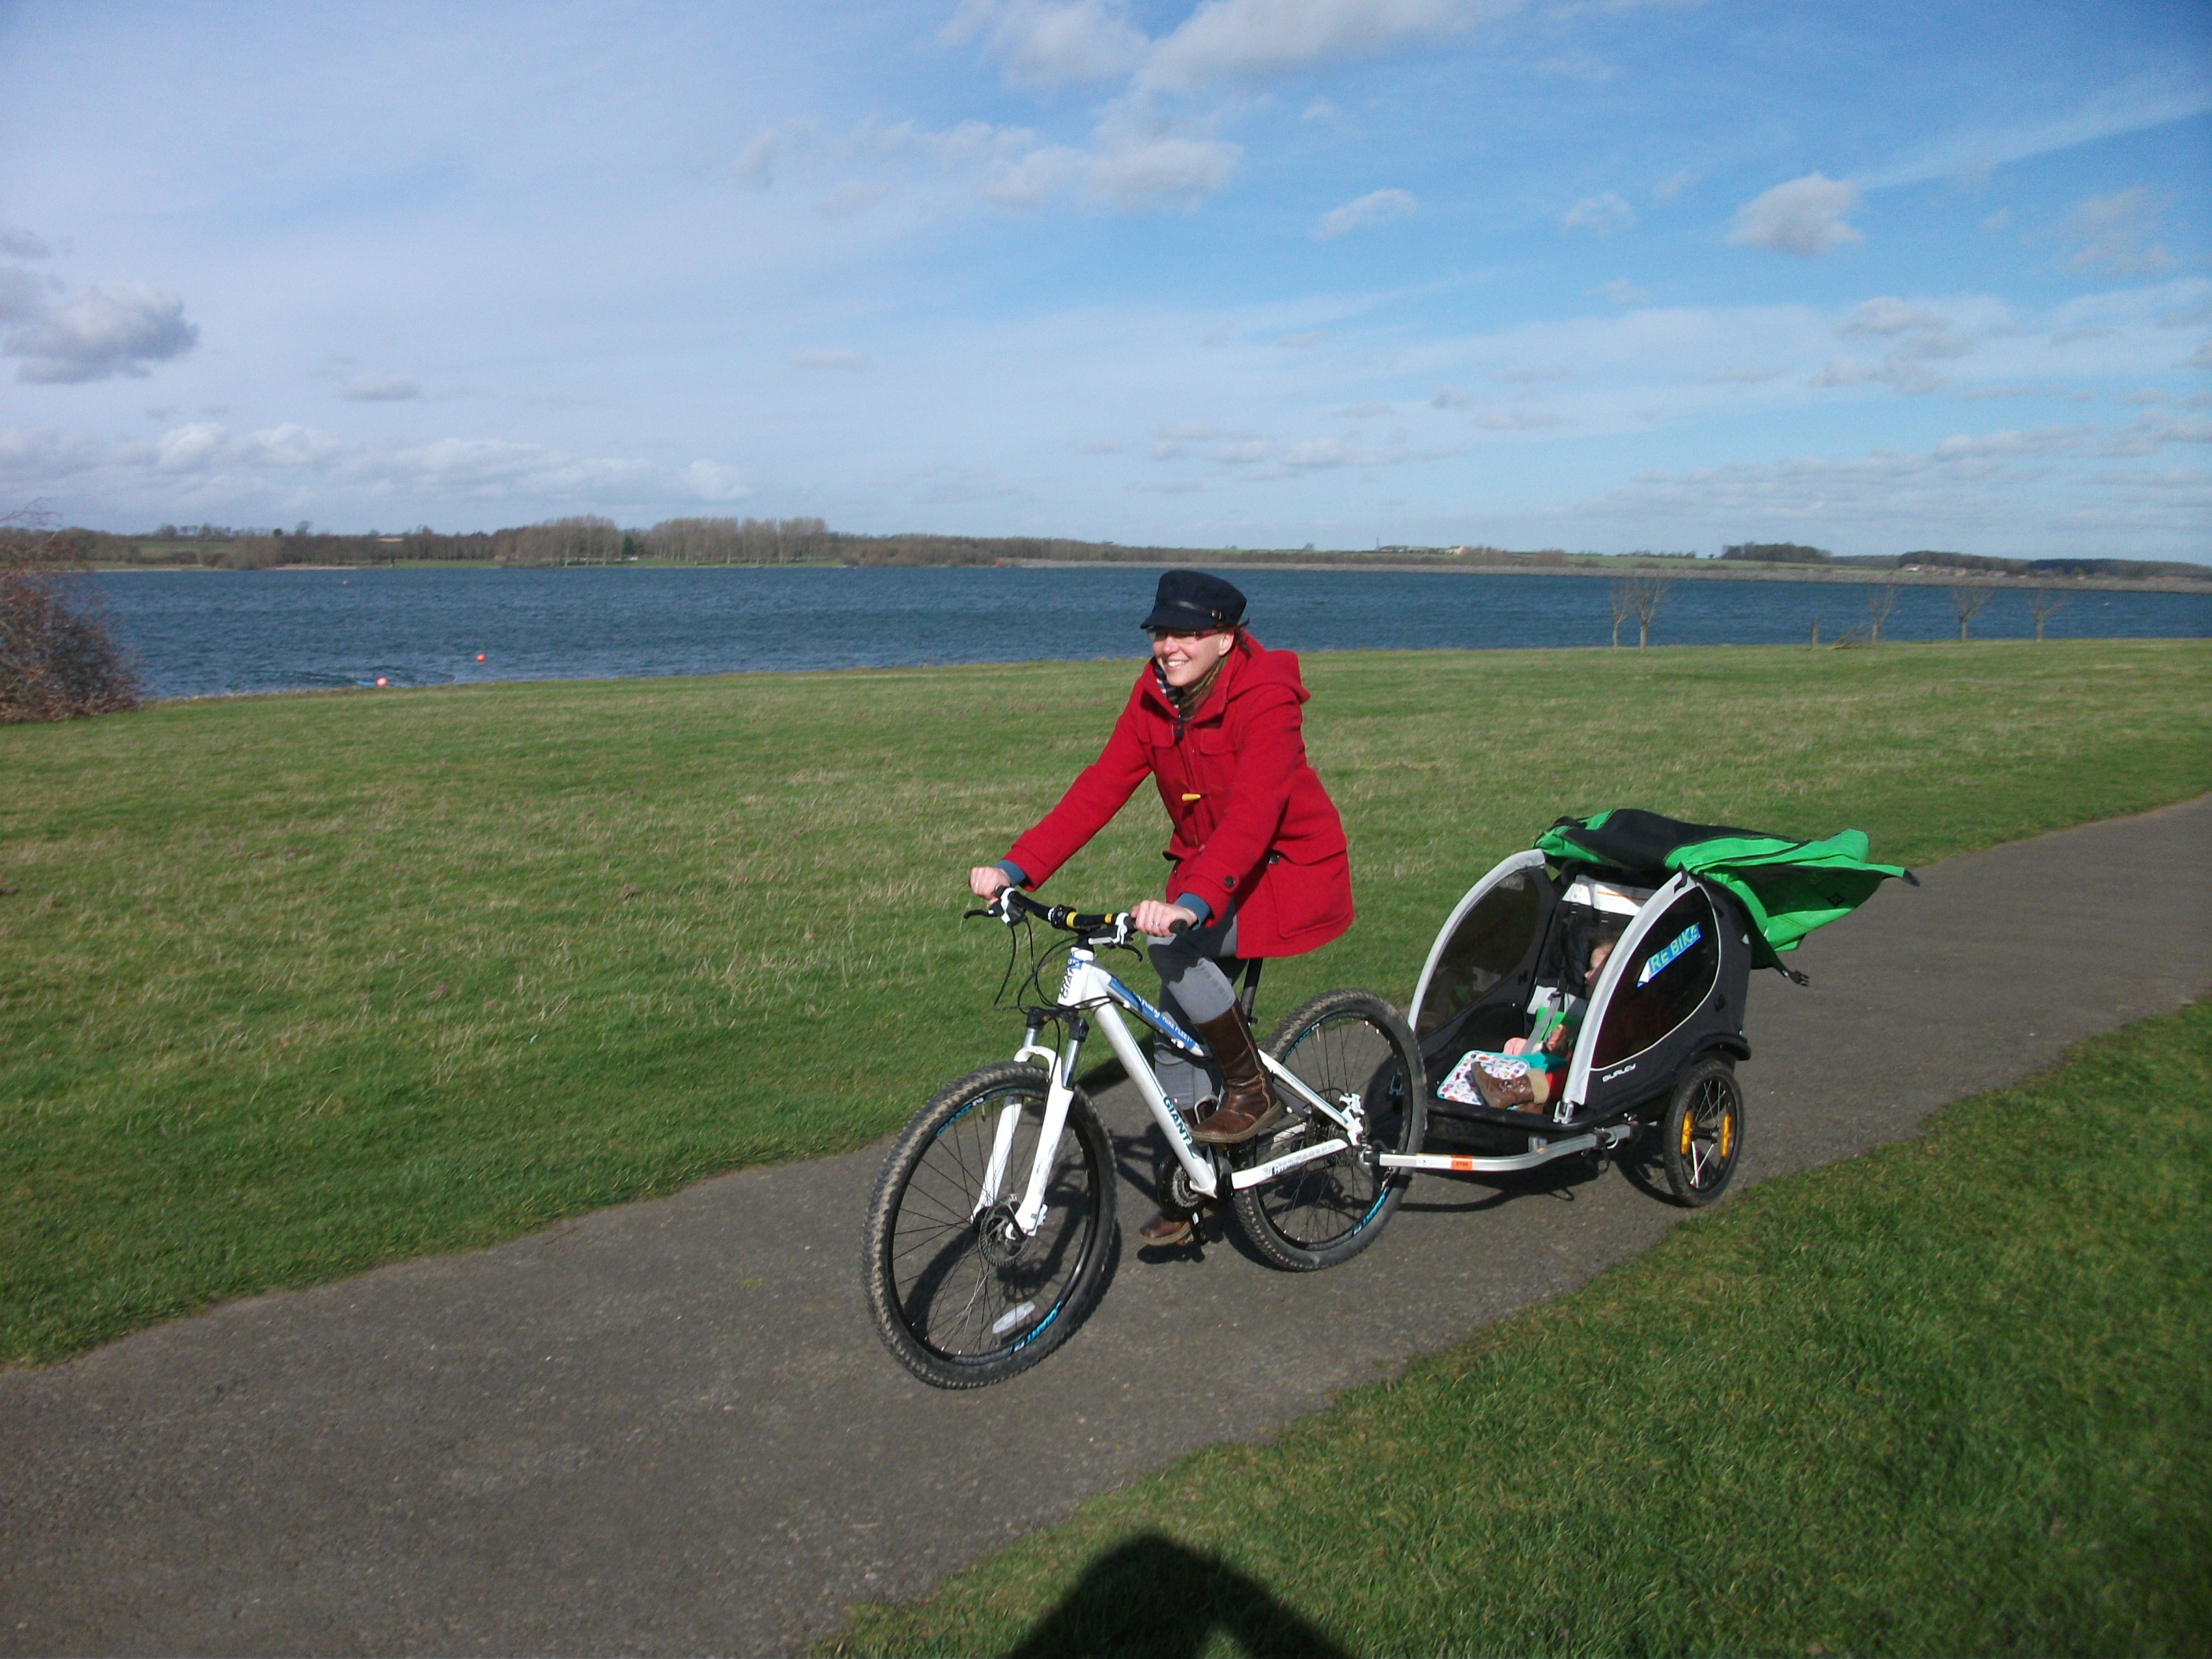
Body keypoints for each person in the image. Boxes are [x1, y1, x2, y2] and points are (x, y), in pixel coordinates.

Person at [967, 569, 1354, 1246]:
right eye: (1159, 633)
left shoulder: (1266, 698)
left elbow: (1255, 812)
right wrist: (1015, 865)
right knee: (1171, 1022)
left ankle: (1250, 1086)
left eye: (1184, 633)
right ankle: (1196, 1168)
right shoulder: (1154, 697)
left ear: (1225, 637)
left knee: (1171, 950)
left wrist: (1194, 900)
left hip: (1282, 871)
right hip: (1215, 873)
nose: (1167, 647)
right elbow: (1100, 787)